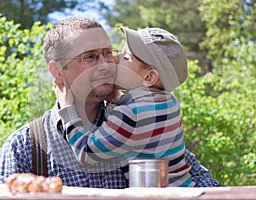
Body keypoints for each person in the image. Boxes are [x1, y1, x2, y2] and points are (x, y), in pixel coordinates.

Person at [0, 16, 219, 188]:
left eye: (108, 53)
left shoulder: (141, 123)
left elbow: (196, 175)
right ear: (58, 72)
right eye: (90, 57)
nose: (107, 64)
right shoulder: (24, 147)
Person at [55, 26, 194, 187]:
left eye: (126, 57)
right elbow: (145, 116)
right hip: (185, 189)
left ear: (149, 77)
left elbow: (87, 153)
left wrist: (67, 110)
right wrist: (120, 99)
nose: (115, 59)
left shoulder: (129, 115)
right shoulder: (170, 102)